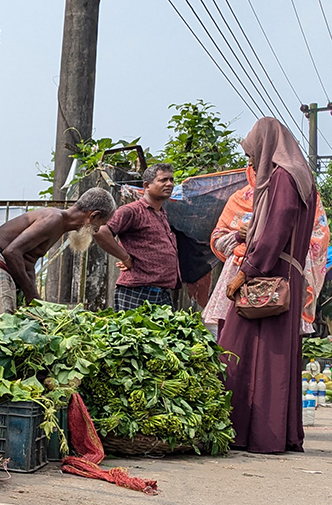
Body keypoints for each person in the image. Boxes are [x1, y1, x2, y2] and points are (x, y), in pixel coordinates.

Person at [218, 118, 317, 453]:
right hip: (286, 274)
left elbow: (278, 225)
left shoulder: (283, 177)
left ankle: (252, 433)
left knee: (239, 349)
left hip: (268, 274)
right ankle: (274, 433)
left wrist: (247, 269)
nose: (251, 163)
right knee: (274, 356)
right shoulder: (302, 176)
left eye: (252, 155)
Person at [203, 163, 329, 338]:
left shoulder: (300, 197)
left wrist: (280, 240)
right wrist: (239, 236)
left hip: (282, 277)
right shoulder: (240, 198)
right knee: (233, 338)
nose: (258, 169)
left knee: (274, 339)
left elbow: (317, 239)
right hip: (239, 278)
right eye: (253, 163)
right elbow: (218, 240)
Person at [0, 187, 116, 331]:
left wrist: (36, 298)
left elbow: (28, 260)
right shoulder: (53, 219)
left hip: (5, 263)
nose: (97, 230)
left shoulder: (61, 224)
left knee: (12, 325)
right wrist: (31, 295)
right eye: (101, 224)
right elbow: (11, 252)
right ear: (94, 216)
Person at [94, 163, 181, 311]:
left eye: (172, 180)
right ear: (147, 185)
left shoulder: (161, 214)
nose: (169, 184)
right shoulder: (132, 211)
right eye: (163, 180)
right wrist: (125, 258)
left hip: (162, 292)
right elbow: (100, 231)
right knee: (134, 334)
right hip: (136, 290)